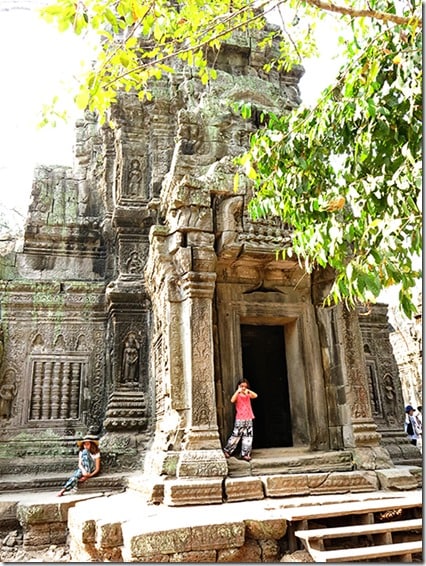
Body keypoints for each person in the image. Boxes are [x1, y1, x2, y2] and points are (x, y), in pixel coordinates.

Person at [223, 378, 258, 462]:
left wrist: (248, 391)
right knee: (236, 436)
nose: (243, 388)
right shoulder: (238, 395)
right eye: (242, 386)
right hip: (240, 418)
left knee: (248, 437)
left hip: (248, 417)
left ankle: (245, 454)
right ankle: (227, 450)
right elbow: (232, 400)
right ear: (239, 386)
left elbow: (255, 395)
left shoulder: (247, 394)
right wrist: (238, 391)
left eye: (245, 386)